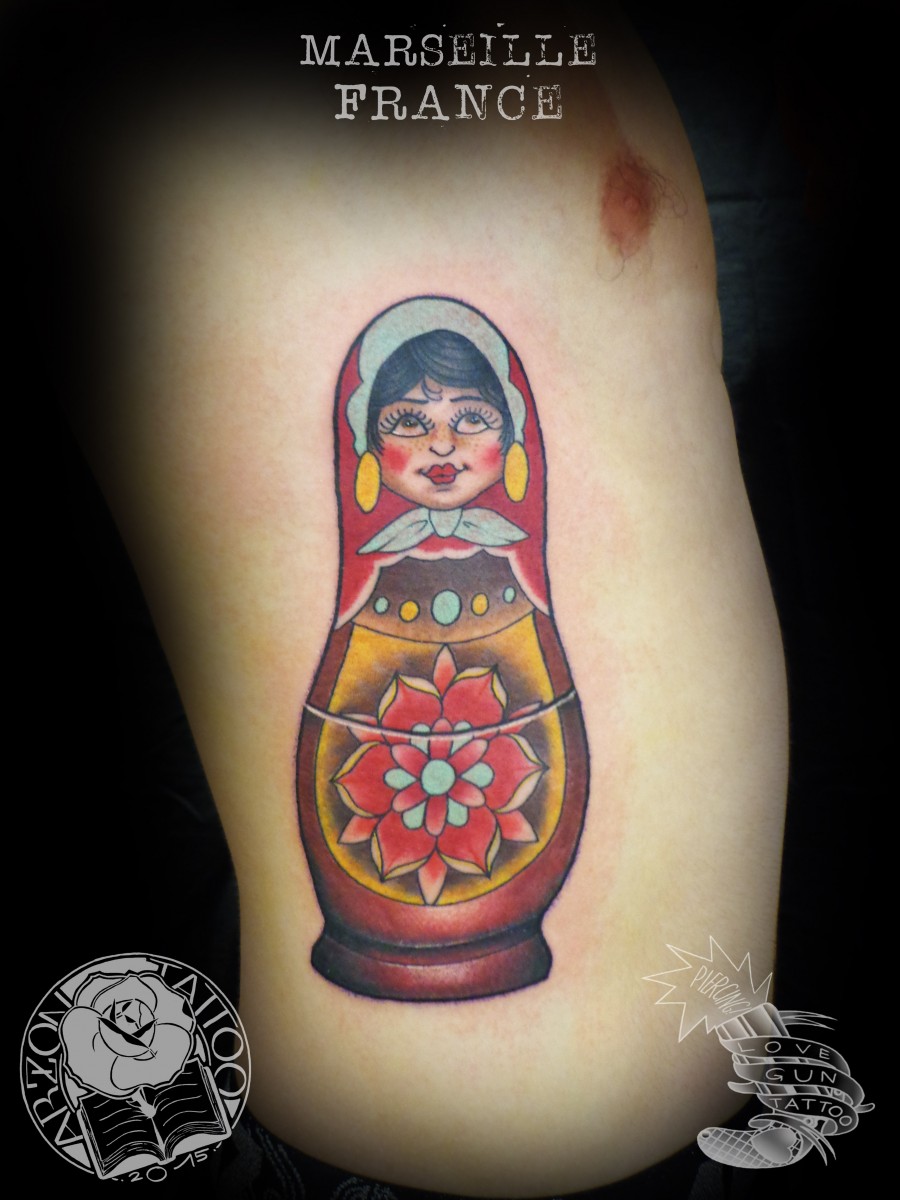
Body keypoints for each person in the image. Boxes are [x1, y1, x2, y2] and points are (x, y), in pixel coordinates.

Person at [59, 5, 790, 1196]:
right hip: (387, 1169)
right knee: (413, 770)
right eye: (408, 424)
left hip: (735, 1113)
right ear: (369, 448)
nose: (443, 449)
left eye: (469, 422)